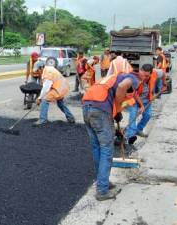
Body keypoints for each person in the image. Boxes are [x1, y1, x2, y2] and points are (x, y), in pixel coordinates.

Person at [82, 65, 148, 201]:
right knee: (107, 149)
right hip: (100, 110)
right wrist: (117, 110)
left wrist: (114, 115)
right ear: (139, 74)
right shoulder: (133, 79)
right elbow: (122, 87)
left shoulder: (113, 76)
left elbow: (120, 91)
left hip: (87, 107)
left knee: (97, 147)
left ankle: (103, 181)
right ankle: (102, 191)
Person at [33, 62, 75, 126]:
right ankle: (70, 117)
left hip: (59, 88)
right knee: (60, 103)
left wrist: (39, 98)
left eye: (38, 70)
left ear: (41, 67)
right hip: (63, 86)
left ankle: (42, 120)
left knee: (45, 99)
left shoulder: (47, 73)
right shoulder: (48, 69)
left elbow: (46, 88)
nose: (37, 72)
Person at [124, 65, 157, 145]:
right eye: (143, 75)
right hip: (134, 100)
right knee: (133, 114)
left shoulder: (155, 74)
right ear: (140, 71)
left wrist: (164, 83)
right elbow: (134, 94)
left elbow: (162, 73)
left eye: (147, 76)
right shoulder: (135, 79)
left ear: (151, 73)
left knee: (148, 115)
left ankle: (138, 129)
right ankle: (131, 135)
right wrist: (141, 105)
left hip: (146, 99)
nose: (144, 77)